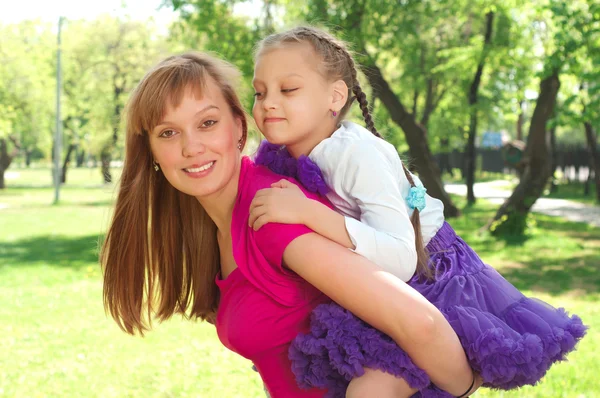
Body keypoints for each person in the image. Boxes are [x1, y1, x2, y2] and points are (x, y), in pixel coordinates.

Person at [100, 52, 481, 398]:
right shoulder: (214, 223)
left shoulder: (272, 217)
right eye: (168, 132)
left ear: (238, 128)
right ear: (149, 148)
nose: (191, 147)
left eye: (207, 123)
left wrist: (462, 389)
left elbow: (421, 323)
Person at [249, 26, 588, 396]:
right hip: (379, 285)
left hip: (434, 280)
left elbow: (399, 256)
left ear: (335, 96)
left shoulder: (354, 155)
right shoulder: (285, 157)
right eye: (259, 91)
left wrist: (309, 214)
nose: (267, 103)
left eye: (288, 89)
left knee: (369, 390)